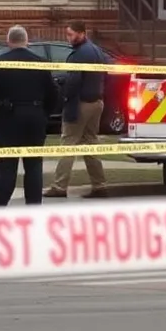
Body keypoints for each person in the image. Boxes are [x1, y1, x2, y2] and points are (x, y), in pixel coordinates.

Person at [0, 26, 58, 207]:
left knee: (7, 166)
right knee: (33, 166)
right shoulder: (40, 63)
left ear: (8, 42)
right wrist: (43, 115)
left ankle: (0, 204)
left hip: (9, 119)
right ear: (27, 41)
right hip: (35, 118)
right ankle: (33, 206)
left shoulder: (1, 63)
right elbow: (55, 94)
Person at [45, 20, 110, 198]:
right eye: (68, 34)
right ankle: (99, 184)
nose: (69, 38)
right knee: (91, 142)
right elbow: (106, 74)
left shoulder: (79, 54)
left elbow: (74, 80)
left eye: (71, 34)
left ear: (82, 33)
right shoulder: (96, 50)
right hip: (97, 101)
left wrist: (65, 97)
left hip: (80, 103)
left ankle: (59, 186)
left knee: (68, 143)